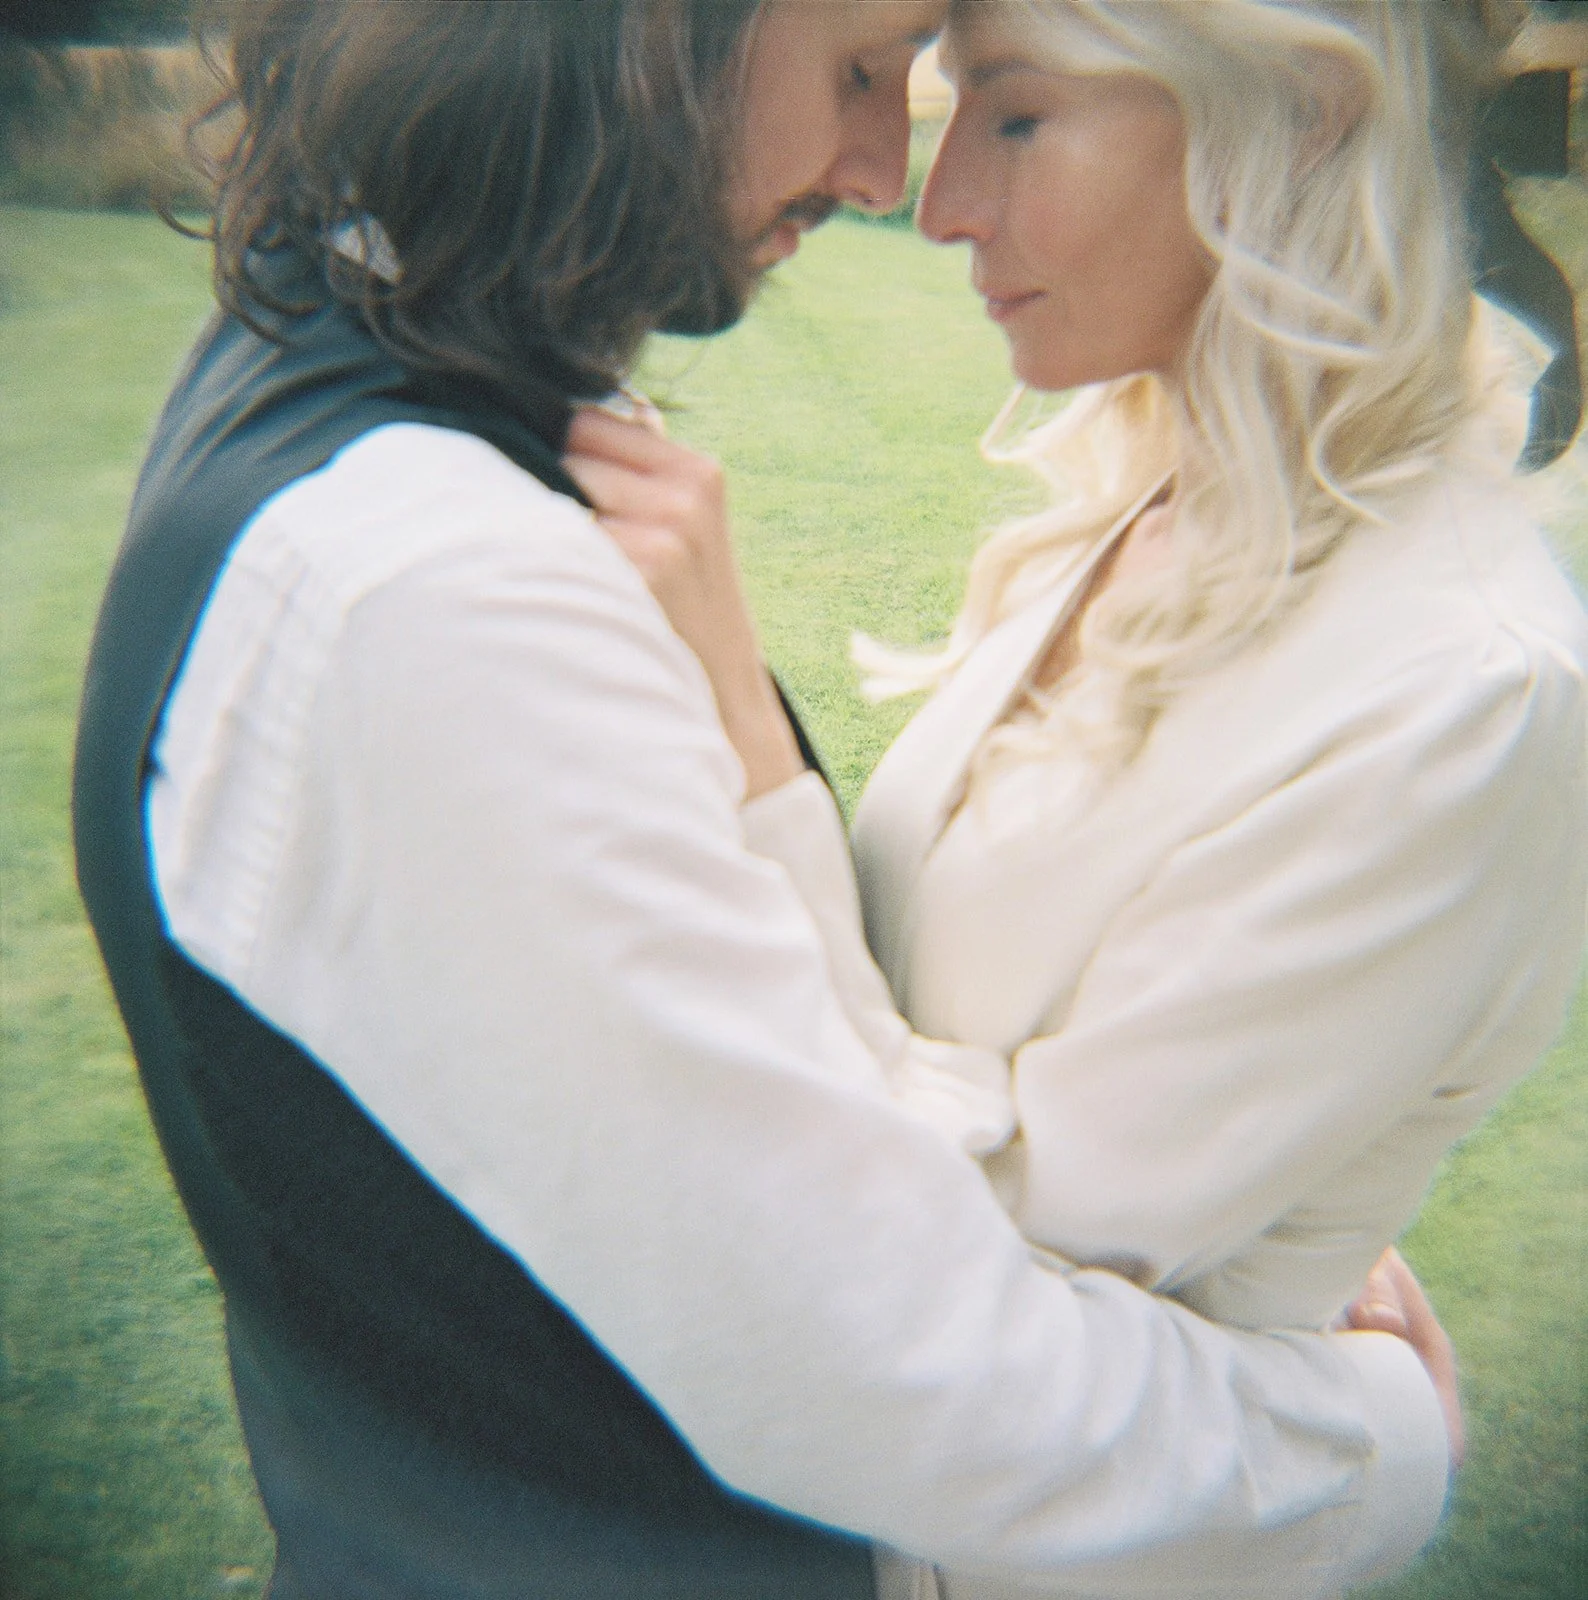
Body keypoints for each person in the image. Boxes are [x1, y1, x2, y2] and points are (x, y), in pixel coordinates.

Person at [73, 3, 1459, 1598]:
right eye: (862, 68)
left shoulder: (306, 367)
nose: (887, 174)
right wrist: (1367, 1449)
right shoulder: (438, 590)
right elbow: (886, 1359)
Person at [563, 0, 1588, 1592]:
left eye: (1017, 117)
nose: (936, 194)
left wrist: (753, 741)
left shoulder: (1471, 687)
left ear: (1304, 118)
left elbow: (977, 1283)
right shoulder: (1164, 505)